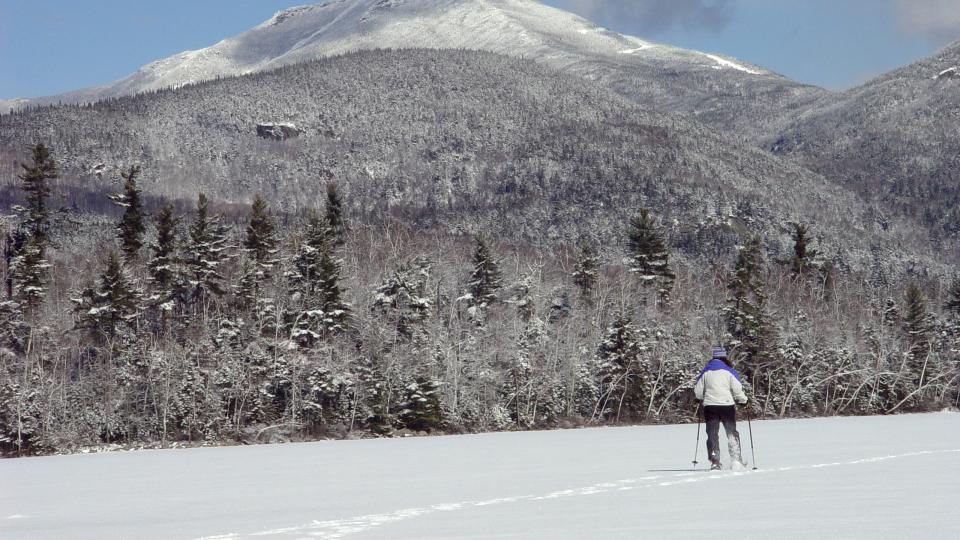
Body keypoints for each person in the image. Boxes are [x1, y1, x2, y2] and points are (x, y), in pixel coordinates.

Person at [693, 347, 748, 470]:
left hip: (710, 407)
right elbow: (737, 389)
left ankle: (715, 461)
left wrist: (698, 398)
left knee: (712, 434)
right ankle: (736, 460)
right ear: (724, 357)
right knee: (731, 432)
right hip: (727, 406)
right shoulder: (729, 371)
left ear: (713, 357)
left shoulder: (706, 372)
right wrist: (744, 400)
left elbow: (698, 390)